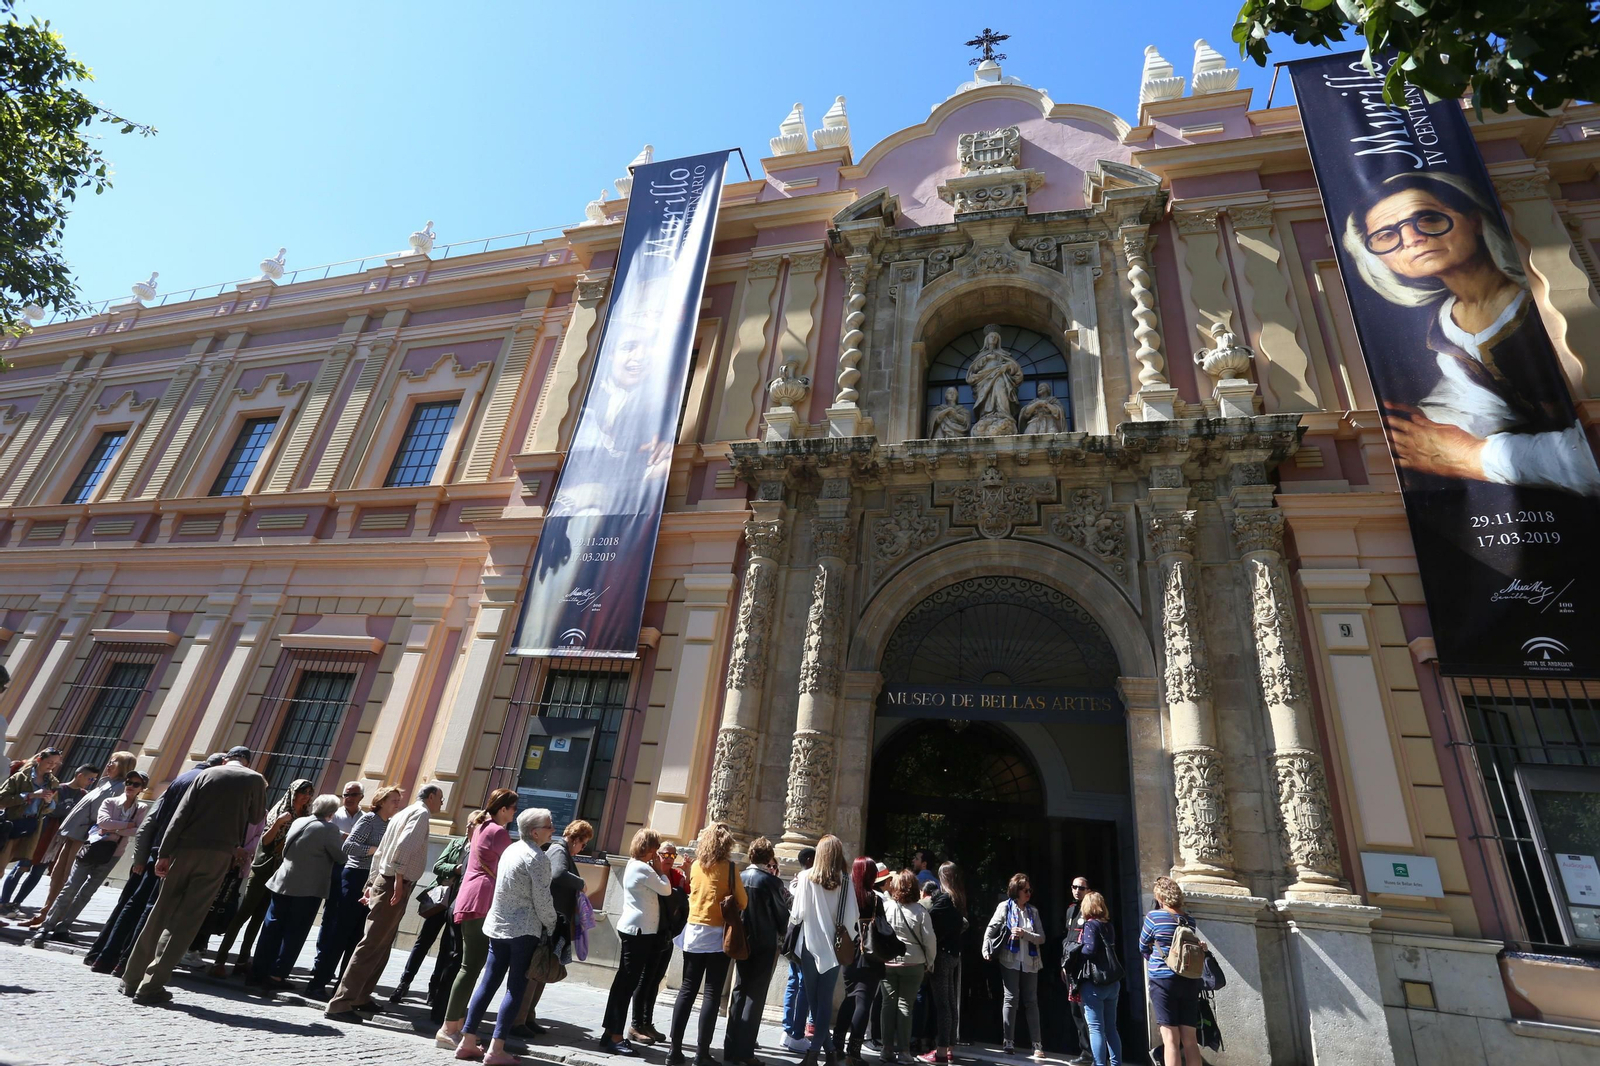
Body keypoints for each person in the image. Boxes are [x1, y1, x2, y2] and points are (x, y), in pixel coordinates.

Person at [1343, 171, 1600, 496]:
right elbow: (1475, 402)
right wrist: (1417, 430)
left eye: (1428, 218)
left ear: (1474, 220)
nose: (1411, 238)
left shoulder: (1534, 303)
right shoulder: (1447, 322)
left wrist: (1471, 456)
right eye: (1386, 235)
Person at [121, 745, 266, 1005]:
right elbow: (256, 817)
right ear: (246, 762)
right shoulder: (254, 779)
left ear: (225, 759)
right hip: (218, 856)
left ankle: (131, 978)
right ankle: (152, 985)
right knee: (188, 921)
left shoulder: (204, 775)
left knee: (160, 913)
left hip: (183, 850)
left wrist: (164, 853)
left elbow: (180, 815)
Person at [84, 752, 227, 973]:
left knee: (131, 905)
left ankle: (103, 957)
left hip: (153, 853)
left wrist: (142, 857)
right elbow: (160, 822)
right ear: (222, 765)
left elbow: (151, 821)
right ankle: (126, 963)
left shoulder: (182, 778)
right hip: (167, 855)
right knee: (150, 909)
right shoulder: (203, 782)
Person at [325, 782, 443, 1018]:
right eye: (440, 798)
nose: (442, 803)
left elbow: (381, 852)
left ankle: (360, 996)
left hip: (386, 880)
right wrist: (397, 880)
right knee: (371, 944)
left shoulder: (404, 813)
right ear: (430, 797)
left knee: (381, 945)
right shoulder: (419, 813)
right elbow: (403, 847)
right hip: (393, 883)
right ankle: (341, 1003)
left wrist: (371, 883)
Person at [455, 807, 557, 1065]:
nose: (553, 830)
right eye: (549, 826)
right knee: (516, 987)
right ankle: (496, 1049)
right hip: (523, 929)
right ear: (535, 832)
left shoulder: (511, 849)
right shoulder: (538, 858)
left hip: (497, 925)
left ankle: (467, 1040)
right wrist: (553, 925)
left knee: (488, 982)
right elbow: (542, 900)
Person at [437, 788, 519, 1050]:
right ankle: (449, 1028)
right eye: (513, 808)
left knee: (470, 965)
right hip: (480, 899)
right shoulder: (497, 831)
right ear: (503, 809)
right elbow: (513, 864)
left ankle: (458, 1025)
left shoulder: (482, 826)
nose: (515, 813)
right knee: (470, 966)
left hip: (473, 896)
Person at [28, 771, 148, 943]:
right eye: (129, 782)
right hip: (91, 849)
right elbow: (103, 823)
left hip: (113, 854)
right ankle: (46, 927)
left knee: (87, 893)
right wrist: (125, 826)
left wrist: (113, 829)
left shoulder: (141, 808)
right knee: (70, 888)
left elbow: (137, 830)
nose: (130, 786)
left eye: (136, 784)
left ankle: (63, 928)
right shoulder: (110, 801)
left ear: (142, 789)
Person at [306, 783, 402, 998]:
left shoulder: (390, 824)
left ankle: (342, 987)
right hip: (354, 877)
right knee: (339, 932)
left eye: (398, 800)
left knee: (358, 936)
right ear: (381, 802)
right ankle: (317, 984)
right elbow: (349, 846)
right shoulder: (368, 819)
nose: (398, 804)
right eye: (394, 800)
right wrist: (376, 851)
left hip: (372, 882)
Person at [212, 777, 313, 976]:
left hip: (282, 872)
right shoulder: (280, 811)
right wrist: (279, 823)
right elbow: (265, 842)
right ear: (294, 792)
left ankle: (242, 960)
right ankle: (220, 959)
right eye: (303, 792)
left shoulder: (305, 815)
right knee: (244, 914)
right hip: (264, 869)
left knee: (260, 918)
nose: (307, 797)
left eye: (310, 792)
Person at [669, 821, 748, 1066]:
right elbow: (743, 902)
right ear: (727, 844)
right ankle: (701, 1053)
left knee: (687, 990)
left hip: (693, 932)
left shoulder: (695, 867)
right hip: (716, 936)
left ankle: (674, 1050)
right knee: (711, 994)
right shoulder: (730, 868)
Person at [249, 793, 345, 990]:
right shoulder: (330, 829)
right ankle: (277, 975)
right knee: (295, 932)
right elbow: (340, 856)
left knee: (271, 928)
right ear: (332, 813)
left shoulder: (299, 821)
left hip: (282, 881)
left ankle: (257, 971)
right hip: (307, 888)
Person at [512, 818, 594, 1035]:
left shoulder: (563, 851)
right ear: (575, 838)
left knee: (544, 970)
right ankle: (518, 1021)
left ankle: (528, 1017)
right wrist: (581, 883)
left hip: (555, 921)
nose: (582, 848)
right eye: (583, 844)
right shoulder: (559, 851)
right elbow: (557, 873)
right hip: (548, 920)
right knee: (536, 970)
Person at [789, 834, 860, 1066]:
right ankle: (827, 1052)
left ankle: (813, 1054)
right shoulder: (846, 881)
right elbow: (852, 919)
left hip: (809, 945)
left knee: (813, 999)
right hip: (834, 948)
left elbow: (797, 914)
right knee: (824, 1000)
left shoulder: (805, 877)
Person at [602, 826, 672, 1055]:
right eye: (656, 847)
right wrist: (661, 870)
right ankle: (615, 1037)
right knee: (626, 985)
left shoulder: (635, 865)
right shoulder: (644, 869)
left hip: (636, 930)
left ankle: (609, 1032)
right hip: (639, 932)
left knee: (623, 983)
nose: (658, 853)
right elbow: (666, 890)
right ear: (648, 848)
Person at [725, 836, 791, 1066]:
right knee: (755, 995)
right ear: (768, 857)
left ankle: (731, 1048)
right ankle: (745, 1052)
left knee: (739, 991)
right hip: (764, 943)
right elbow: (782, 916)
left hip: (742, 941)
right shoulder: (771, 882)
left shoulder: (741, 877)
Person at [4, 761, 93, 914]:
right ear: (80, 775)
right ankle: (4, 901)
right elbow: (50, 810)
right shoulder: (58, 788)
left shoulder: (84, 795)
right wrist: (66, 811)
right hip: (41, 833)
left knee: (37, 872)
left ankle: (17, 903)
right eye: (90, 778)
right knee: (22, 867)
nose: (91, 782)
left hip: (57, 840)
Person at [393, 827, 468, 1008]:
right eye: (468, 824)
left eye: (473, 824)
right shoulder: (457, 843)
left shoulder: (480, 848)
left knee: (446, 948)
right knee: (423, 941)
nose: (469, 828)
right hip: (439, 899)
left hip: (458, 902)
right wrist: (456, 869)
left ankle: (434, 990)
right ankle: (404, 982)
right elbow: (437, 866)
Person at [307, 780, 365, 992]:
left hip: (353, 871)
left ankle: (331, 967)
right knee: (329, 917)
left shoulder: (363, 818)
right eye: (345, 794)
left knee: (340, 920)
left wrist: (347, 838)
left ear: (361, 797)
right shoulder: (335, 814)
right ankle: (320, 961)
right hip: (334, 867)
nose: (348, 798)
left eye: (353, 794)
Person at [1140, 876, 1204, 1066]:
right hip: (1189, 979)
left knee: (1170, 1040)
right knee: (1190, 1041)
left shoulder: (1154, 917)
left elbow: (1143, 946)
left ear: (1160, 897)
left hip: (1163, 980)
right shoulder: (1189, 920)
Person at [984, 873, 1046, 1060]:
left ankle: (1037, 1044)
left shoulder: (1033, 911)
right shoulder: (1004, 907)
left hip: (1030, 961)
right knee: (1011, 998)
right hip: (1009, 959)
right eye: (1025, 890)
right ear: (1016, 890)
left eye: (1030, 890)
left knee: (1031, 1001)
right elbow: (991, 929)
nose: (1029, 893)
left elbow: (1041, 938)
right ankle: (1008, 1041)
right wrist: (985, 948)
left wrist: (1025, 934)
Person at [879, 870, 935, 1066]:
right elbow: (930, 941)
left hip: (888, 962)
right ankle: (904, 1051)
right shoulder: (921, 912)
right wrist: (930, 961)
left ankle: (886, 1049)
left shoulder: (887, 908)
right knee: (906, 1006)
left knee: (888, 1005)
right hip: (914, 963)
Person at [834, 857, 885, 1066]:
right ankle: (853, 1052)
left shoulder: (846, 897)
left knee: (850, 998)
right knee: (864, 1002)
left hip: (848, 953)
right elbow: (883, 929)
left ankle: (836, 1043)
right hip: (869, 955)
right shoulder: (874, 899)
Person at [0, 747, 62, 914]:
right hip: (10, 827)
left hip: (30, 829)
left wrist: (49, 802)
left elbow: (51, 808)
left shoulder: (53, 782)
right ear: (40, 759)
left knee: (21, 866)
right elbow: (1, 799)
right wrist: (30, 795)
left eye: (56, 763)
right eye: (49, 762)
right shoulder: (21, 777)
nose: (52, 766)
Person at [638, 839, 688, 1043]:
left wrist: (688, 872)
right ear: (656, 854)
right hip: (651, 931)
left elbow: (686, 896)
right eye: (664, 854)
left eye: (672, 855)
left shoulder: (676, 875)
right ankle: (636, 1024)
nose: (668, 858)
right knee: (645, 979)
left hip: (668, 934)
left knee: (656, 979)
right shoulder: (651, 873)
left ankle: (647, 1023)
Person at [918, 862, 965, 1064]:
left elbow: (928, 919)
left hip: (943, 955)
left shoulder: (945, 899)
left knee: (942, 1004)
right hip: (953, 954)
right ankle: (949, 1046)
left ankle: (940, 1051)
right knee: (950, 1002)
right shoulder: (959, 898)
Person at [1076, 891, 1122, 1066]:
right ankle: (1116, 1064)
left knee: (1096, 1029)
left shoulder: (1090, 925)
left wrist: (1076, 950)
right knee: (1111, 1028)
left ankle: (1100, 1064)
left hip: (1095, 983)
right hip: (1112, 981)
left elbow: (1090, 950)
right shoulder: (1108, 926)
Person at [782, 845, 818, 1053]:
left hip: (793, 940)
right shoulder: (810, 880)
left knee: (793, 982)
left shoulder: (795, 881)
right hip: (806, 940)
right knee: (804, 984)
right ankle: (796, 1033)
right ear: (811, 860)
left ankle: (787, 1029)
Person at [1063, 876, 1093, 1065]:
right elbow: (1067, 940)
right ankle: (1085, 1052)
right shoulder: (1071, 911)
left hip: (1084, 969)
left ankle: (1095, 1053)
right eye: (1074, 887)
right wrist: (1063, 965)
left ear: (1088, 890)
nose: (1077, 891)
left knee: (1088, 1012)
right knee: (1076, 1012)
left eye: (1081, 888)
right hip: (1071, 969)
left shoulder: (1091, 912)